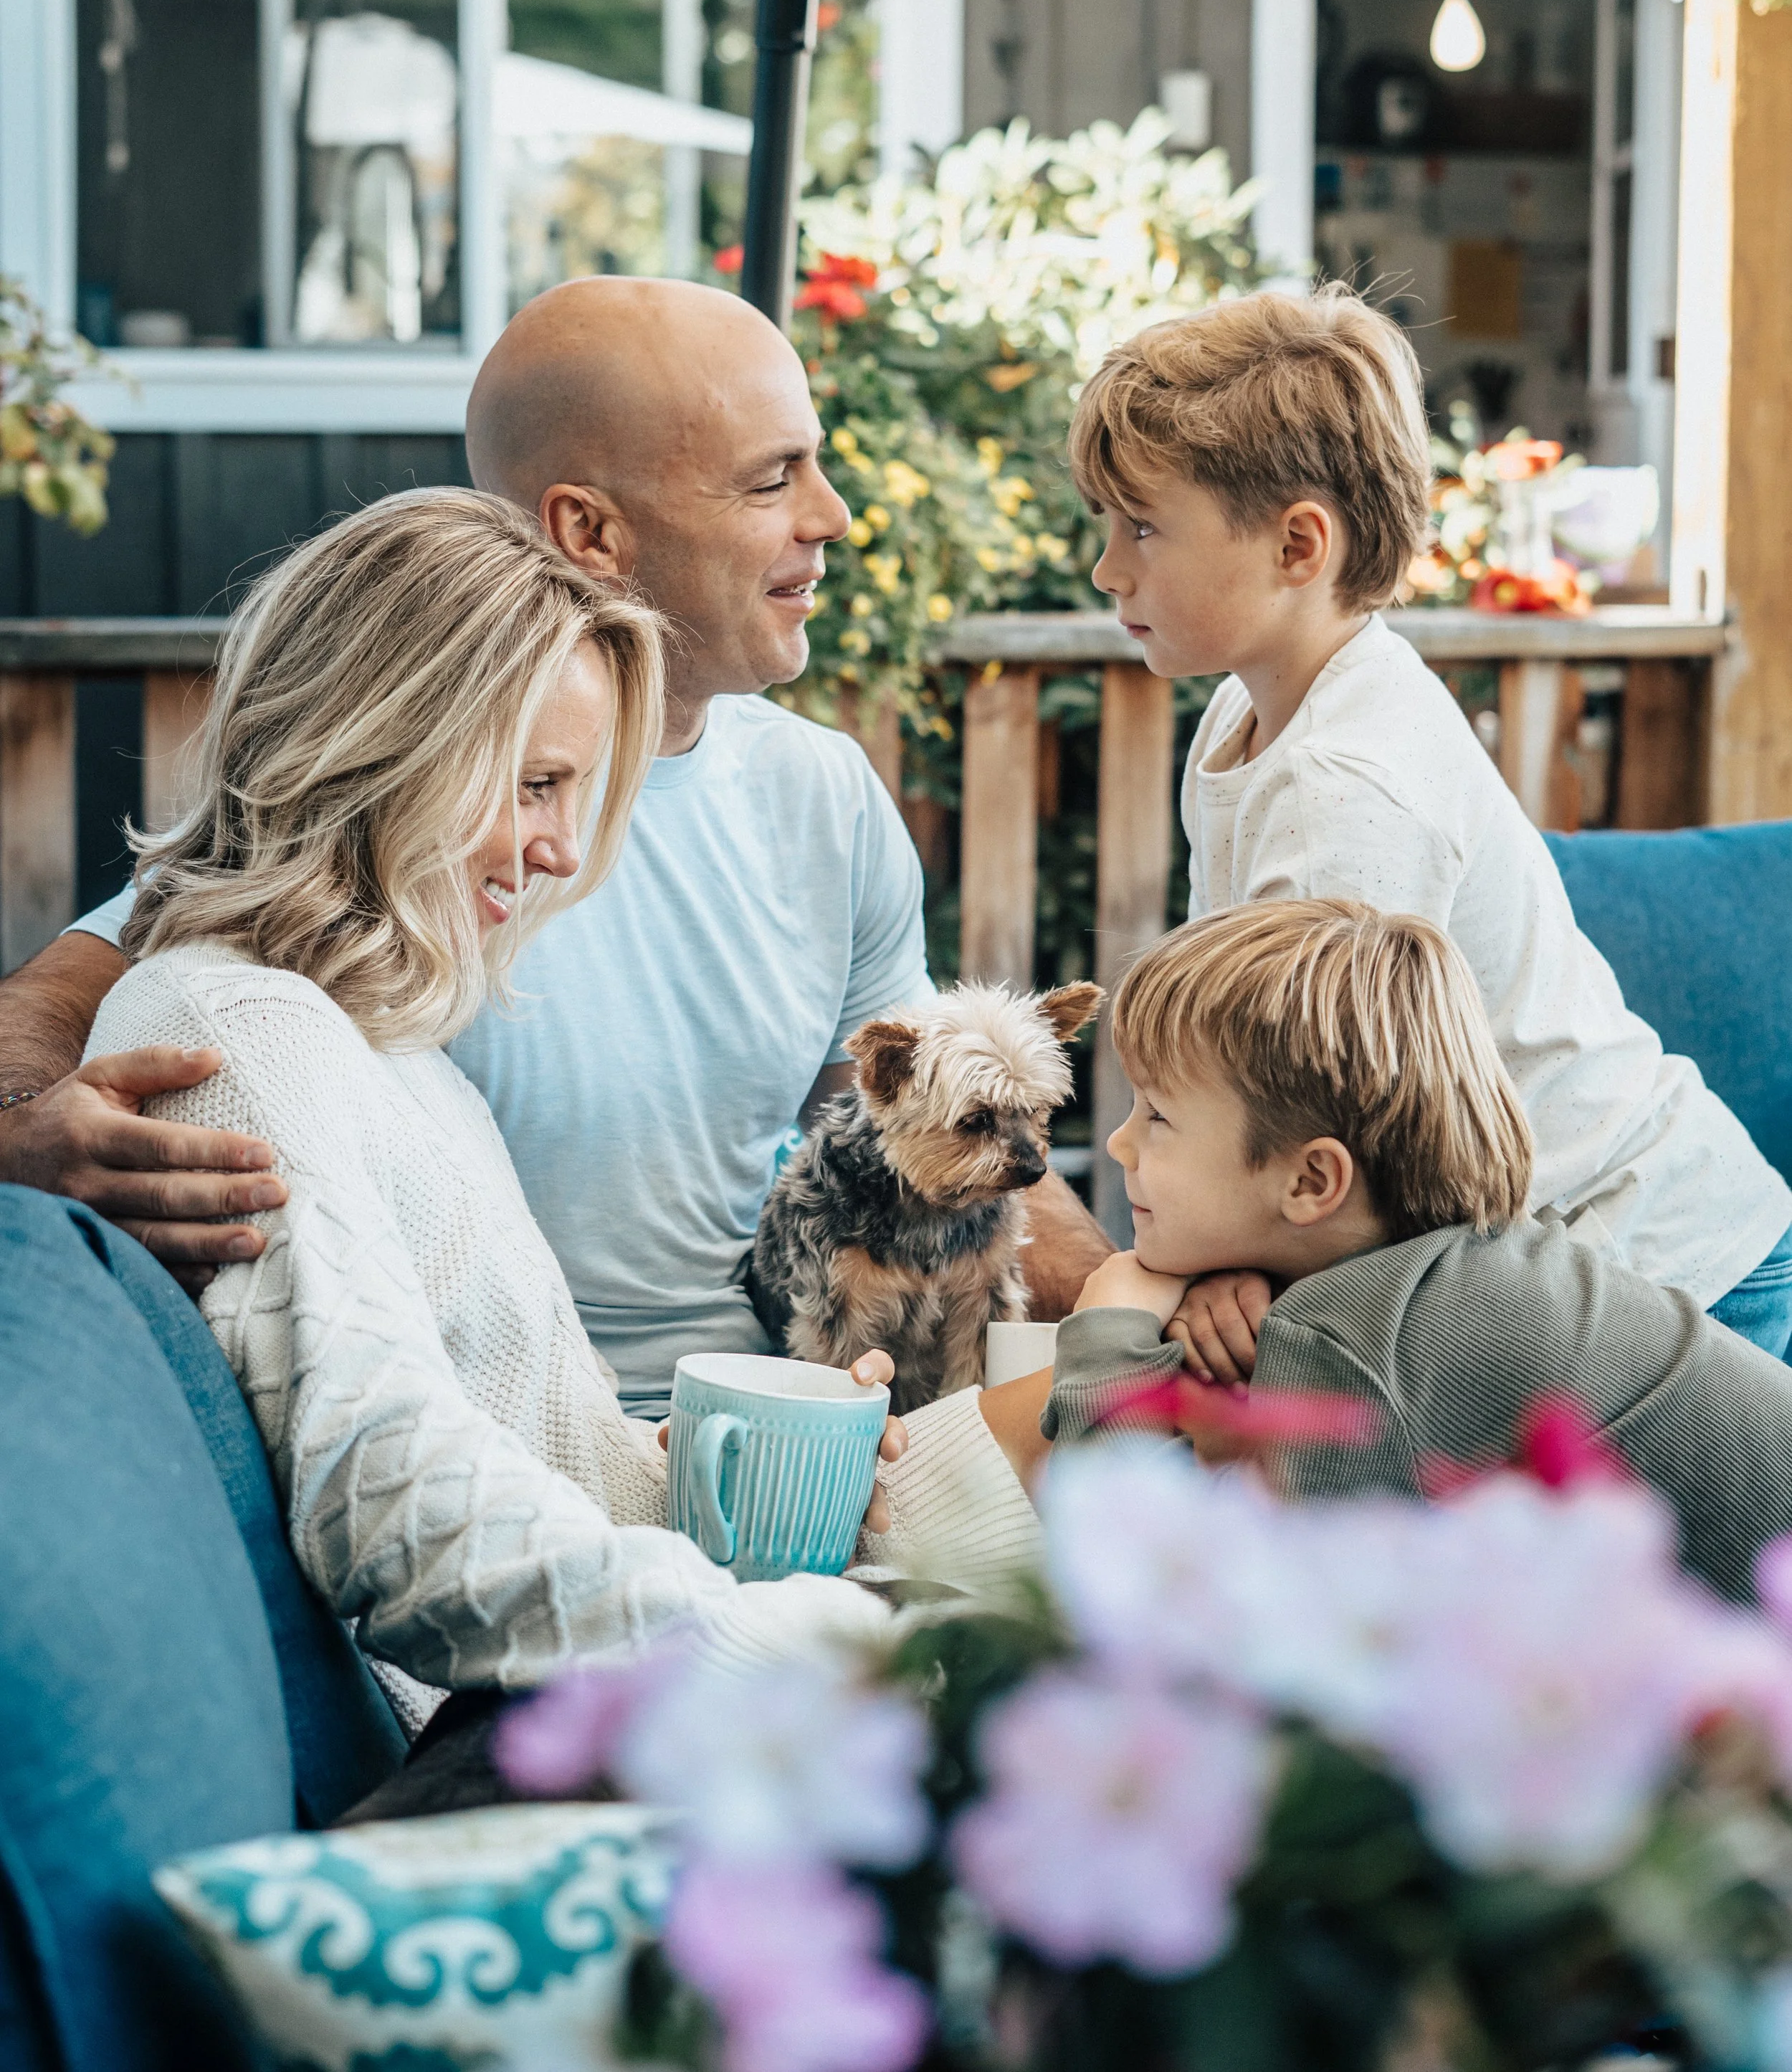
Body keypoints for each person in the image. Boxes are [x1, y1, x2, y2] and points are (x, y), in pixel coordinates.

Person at [0, 278, 1125, 1416]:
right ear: (588, 529)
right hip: (507, 1416)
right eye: (772, 478)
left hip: (775, 1410)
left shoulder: (820, 792)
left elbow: (947, 1139)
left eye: (815, 464)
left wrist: (1149, 1294)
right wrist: (19, 1133)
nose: (831, 515)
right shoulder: (420, 811)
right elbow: (72, 997)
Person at [77, 488, 1039, 1708]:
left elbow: (528, 1446)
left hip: (588, 1678)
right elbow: (395, 1510)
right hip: (485, 1747)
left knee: (1085, 1460)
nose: (561, 853)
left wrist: (779, 1494)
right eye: (535, 785)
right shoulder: (240, 1034)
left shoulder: (401, 1056)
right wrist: (813, 1648)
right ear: (384, 743)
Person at [1067, 284, 1792, 1374]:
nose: (1108, 568)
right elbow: (1243, 1067)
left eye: (1143, 527)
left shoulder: (1345, 789)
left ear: (1298, 546)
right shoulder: (1246, 707)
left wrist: (1223, 1267)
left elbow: (1364, 1133)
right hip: (1522, 1258)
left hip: (1670, 1267)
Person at [1039, 899, 1792, 1607]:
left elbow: (1164, 1596)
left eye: (1157, 1115)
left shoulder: (1360, 1332)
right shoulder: (1455, 1269)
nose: (1118, 1141)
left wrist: (1112, 1326)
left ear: (1309, 1180)